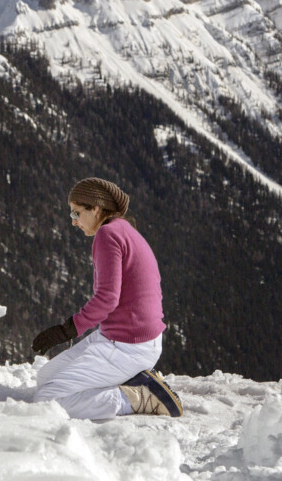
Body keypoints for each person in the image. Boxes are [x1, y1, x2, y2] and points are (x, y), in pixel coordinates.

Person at [31, 178, 183, 419]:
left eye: (77, 212)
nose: (74, 221)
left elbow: (107, 299)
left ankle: (136, 397)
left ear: (96, 208)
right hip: (122, 338)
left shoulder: (107, 234)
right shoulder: (123, 230)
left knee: (46, 400)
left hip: (129, 347)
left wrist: (66, 330)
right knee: (45, 379)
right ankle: (124, 381)